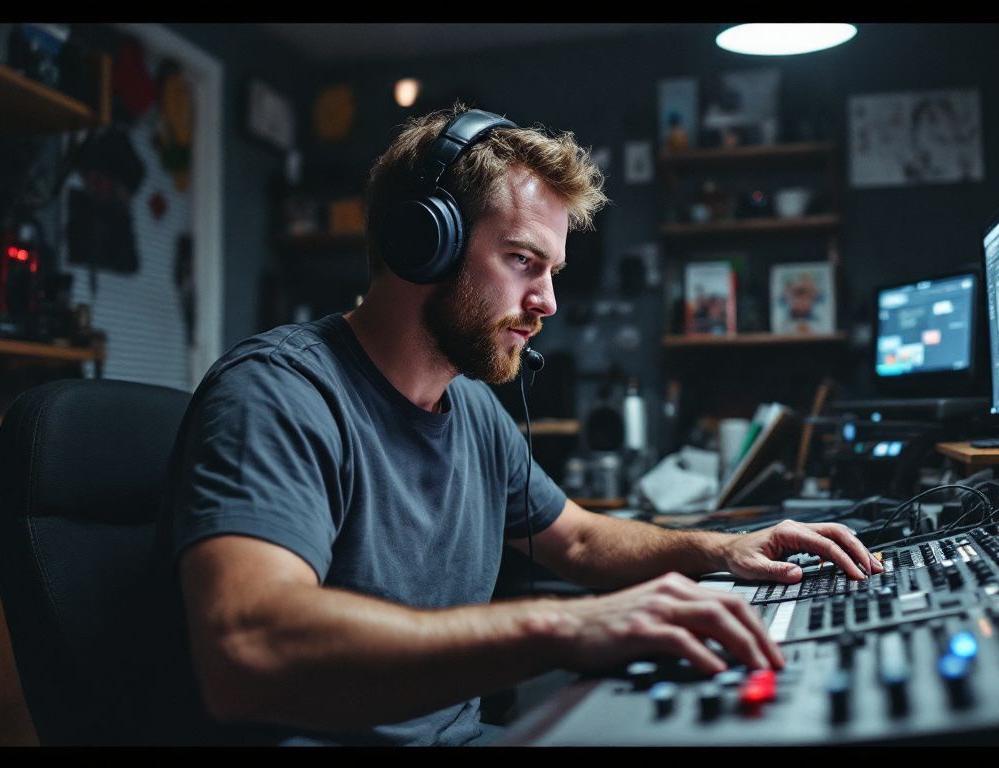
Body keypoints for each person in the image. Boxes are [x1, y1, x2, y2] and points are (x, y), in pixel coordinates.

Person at [149, 104, 882, 746]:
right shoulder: (279, 395)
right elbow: (247, 650)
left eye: (553, 271)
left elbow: (580, 538)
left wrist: (724, 551)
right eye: (524, 262)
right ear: (422, 243)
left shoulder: (469, 406)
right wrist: (567, 630)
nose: (547, 303)